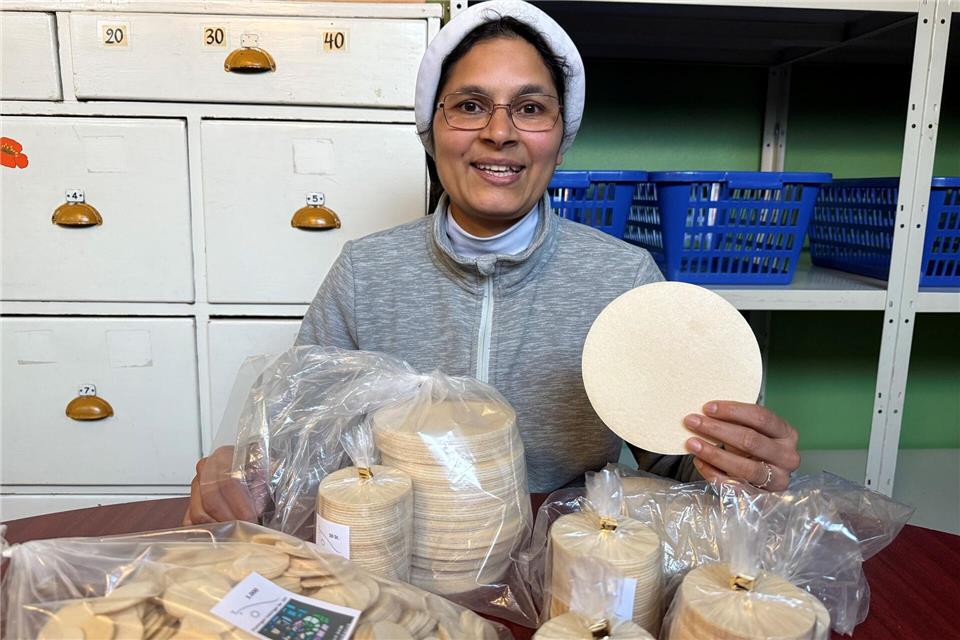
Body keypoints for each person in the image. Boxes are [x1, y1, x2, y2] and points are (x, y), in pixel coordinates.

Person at [183, 0, 800, 526]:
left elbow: (679, 461)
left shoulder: (623, 279)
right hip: (400, 565)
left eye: (530, 109)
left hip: (560, 572)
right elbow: (297, 443)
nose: (499, 132)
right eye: (471, 105)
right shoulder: (365, 274)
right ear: (431, 133)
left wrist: (738, 465)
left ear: (560, 138)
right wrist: (242, 473)